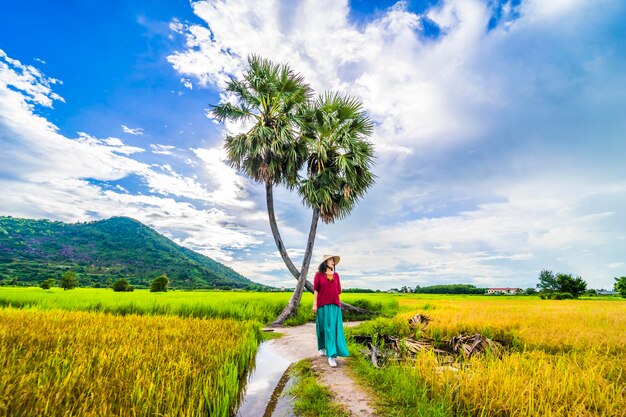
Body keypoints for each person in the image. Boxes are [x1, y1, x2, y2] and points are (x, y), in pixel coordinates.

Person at [312, 254, 350, 368]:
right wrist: (315, 304)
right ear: (325, 263)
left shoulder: (337, 275)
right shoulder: (318, 275)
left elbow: (338, 291)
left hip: (334, 306)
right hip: (322, 305)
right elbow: (316, 290)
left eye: (333, 260)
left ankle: (331, 355)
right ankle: (322, 347)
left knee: (332, 330)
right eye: (330, 260)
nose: (332, 262)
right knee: (323, 328)